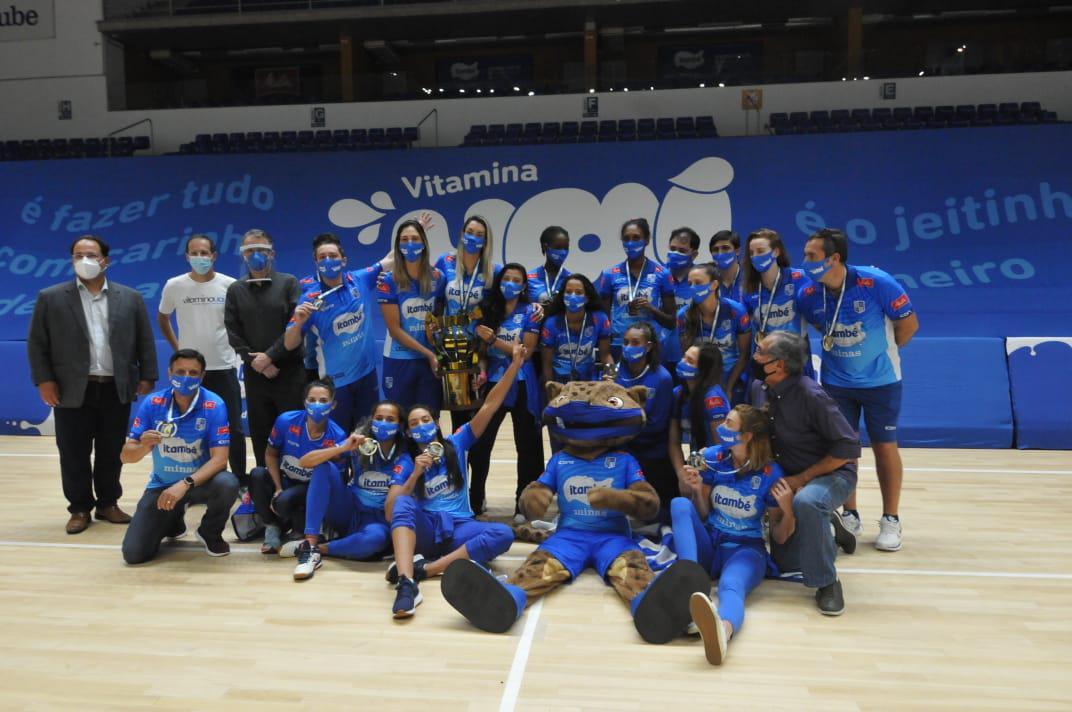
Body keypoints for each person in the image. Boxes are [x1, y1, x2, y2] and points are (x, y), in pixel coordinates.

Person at [798, 228, 919, 552]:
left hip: (881, 382)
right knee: (842, 449)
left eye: (811, 256)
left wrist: (882, 355)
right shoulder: (809, 295)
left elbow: (909, 325)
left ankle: (891, 519)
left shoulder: (877, 283)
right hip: (837, 384)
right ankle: (849, 514)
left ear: (833, 258)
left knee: (884, 446)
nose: (805, 262)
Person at [27, 235, 158, 534]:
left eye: (91, 254)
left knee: (113, 449)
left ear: (105, 260)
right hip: (72, 387)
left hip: (116, 386)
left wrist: (148, 375)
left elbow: (144, 340)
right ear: (72, 259)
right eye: (78, 255)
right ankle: (80, 507)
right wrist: (44, 380)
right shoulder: (51, 297)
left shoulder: (130, 297)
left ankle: (108, 503)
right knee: (73, 451)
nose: (84, 260)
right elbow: (37, 343)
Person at [384, 344, 526, 619]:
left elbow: (490, 404)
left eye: (426, 420)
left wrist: (513, 367)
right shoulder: (405, 461)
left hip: (460, 527)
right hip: (427, 529)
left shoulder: (456, 443)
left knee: (503, 534)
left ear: (436, 423)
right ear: (409, 433)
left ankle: (428, 569)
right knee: (402, 501)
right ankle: (406, 583)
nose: (421, 425)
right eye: (414, 424)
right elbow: (391, 512)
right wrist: (415, 474)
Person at [670, 405, 794, 665]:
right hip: (712, 542)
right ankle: (689, 583)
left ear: (747, 435)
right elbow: (703, 514)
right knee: (680, 504)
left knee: (730, 588)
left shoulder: (771, 474)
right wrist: (694, 490)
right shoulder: (715, 458)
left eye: (729, 423)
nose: (722, 428)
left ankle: (721, 634)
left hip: (746, 549)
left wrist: (787, 510)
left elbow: (780, 538)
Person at [752, 332, 861, 615]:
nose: (754, 356)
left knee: (808, 502)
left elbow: (848, 449)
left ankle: (827, 583)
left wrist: (801, 481)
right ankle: (832, 528)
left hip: (832, 473)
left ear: (779, 365)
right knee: (788, 563)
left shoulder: (812, 395)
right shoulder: (760, 388)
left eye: (761, 352)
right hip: (790, 474)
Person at [120, 349, 239, 563]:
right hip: (162, 486)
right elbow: (126, 457)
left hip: (199, 484)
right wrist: (143, 446)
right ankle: (173, 521)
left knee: (228, 483)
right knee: (134, 554)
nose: (186, 377)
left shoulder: (214, 404)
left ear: (202, 376)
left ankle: (209, 532)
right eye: (180, 371)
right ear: (169, 373)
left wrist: (184, 484)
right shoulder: (153, 403)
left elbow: (220, 460)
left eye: (193, 373)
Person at [280, 400, 411, 581]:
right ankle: (309, 543)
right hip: (349, 510)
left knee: (376, 539)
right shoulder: (359, 444)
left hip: (378, 520)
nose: (383, 423)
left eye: (390, 419)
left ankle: (320, 549)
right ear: (371, 421)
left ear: (400, 425)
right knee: (323, 467)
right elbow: (305, 462)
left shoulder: (405, 456)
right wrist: (344, 447)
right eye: (379, 418)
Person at [158, 234, 246, 485]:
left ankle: (239, 479)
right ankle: (202, 481)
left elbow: (239, 321)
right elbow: (163, 317)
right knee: (195, 427)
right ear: (187, 257)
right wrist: (178, 349)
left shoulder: (230, 285)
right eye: (194, 253)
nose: (199, 258)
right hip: (190, 372)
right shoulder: (174, 285)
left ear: (214, 256)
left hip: (223, 366)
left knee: (233, 427)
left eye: (204, 253)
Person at [284, 233, 387, 434]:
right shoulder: (311, 299)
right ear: (316, 262)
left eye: (332, 255)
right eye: (322, 257)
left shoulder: (360, 279)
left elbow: (389, 260)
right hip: (335, 383)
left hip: (367, 376)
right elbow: (289, 344)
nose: (328, 261)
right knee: (338, 439)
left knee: (365, 436)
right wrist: (298, 323)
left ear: (344, 260)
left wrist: (415, 229)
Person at [468, 264, 545, 516]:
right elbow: (481, 352)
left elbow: (525, 352)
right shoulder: (487, 311)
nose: (510, 284)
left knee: (528, 446)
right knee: (480, 443)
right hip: (494, 382)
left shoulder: (531, 313)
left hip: (522, 383)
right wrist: (480, 368)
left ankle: (523, 505)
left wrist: (493, 340)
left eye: (516, 280)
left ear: (524, 286)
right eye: (506, 279)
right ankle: (475, 500)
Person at [225, 229, 304, 474]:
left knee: (292, 432)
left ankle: (292, 487)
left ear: (272, 253)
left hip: (289, 371)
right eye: (250, 250)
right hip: (255, 373)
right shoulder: (236, 289)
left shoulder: (289, 283)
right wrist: (257, 362)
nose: (256, 255)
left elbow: (296, 326)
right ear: (243, 255)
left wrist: (271, 356)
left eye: (261, 250)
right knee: (261, 433)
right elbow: (233, 331)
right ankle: (264, 490)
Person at [249, 378, 347, 554]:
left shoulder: (338, 435)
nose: (317, 405)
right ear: (304, 402)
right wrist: (278, 487)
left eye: (323, 401)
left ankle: (304, 525)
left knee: (284, 502)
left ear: (333, 405)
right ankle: (272, 527)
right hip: (286, 480)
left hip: (310, 489)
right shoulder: (286, 421)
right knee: (257, 474)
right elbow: (270, 454)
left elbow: (335, 480)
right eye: (312, 400)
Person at [434, 215, 502, 431]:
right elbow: (433, 299)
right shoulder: (445, 262)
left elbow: (505, 305)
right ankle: (457, 464)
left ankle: (475, 464)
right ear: (462, 235)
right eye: (469, 233)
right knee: (456, 416)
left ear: (486, 241)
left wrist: (536, 307)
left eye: (479, 235)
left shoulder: (493, 271)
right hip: (449, 350)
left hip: (475, 350)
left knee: (474, 418)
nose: (473, 238)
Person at [377, 220, 445, 412]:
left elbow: (439, 315)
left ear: (424, 243)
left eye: (415, 239)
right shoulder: (388, 281)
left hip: (429, 361)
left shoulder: (438, 278)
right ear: (398, 246)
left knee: (429, 420)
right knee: (401, 420)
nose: (410, 244)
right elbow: (394, 330)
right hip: (399, 359)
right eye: (404, 239)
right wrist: (429, 354)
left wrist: (437, 337)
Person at [740, 228, 815, 391]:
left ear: (776, 252)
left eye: (760, 251)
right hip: (767, 363)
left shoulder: (799, 279)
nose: (755, 257)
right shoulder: (750, 290)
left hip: (796, 361)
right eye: (751, 253)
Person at [614, 322, 675, 519]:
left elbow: (658, 423)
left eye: (635, 342)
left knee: (658, 511)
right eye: (625, 343)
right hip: (624, 445)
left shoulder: (662, 378)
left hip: (651, 450)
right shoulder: (616, 373)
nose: (628, 347)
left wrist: (624, 427)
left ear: (648, 346)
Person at [597, 218, 676, 360]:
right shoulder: (610, 275)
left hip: (650, 347)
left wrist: (651, 309)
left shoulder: (662, 274)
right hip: (618, 345)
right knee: (613, 382)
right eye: (626, 238)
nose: (631, 243)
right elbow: (603, 318)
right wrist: (606, 356)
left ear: (646, 240)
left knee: (651, 382)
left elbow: (671, 322)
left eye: (636, 238)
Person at [677, 264, 751, 404]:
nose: (692, 287)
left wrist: (728, 387)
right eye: (690, 283)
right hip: (698, 382)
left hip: (731, 380)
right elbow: (686, 355)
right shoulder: (683, 316)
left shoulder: (735, 311)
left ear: (714, 285)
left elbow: (744, 356)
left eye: (698, 283)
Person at [668, 344, 730, 475]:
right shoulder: (678, 393)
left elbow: (720, 447)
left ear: (703, 369)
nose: (681, 362)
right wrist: (682, 474)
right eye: (684, 357)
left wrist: (695, 475)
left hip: (710, 469)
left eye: (689, 361)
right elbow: (674, 441)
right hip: (687, 463)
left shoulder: (713, 399)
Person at [539, 274, 613, 384]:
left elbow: (605, 355)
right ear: (563, 296)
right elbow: (547, 363)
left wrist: (610, 378)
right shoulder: (551, 323)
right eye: (568, 292)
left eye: (578, 292)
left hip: (588, 378)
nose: (573, 296)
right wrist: (550, 387)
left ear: (587, 298)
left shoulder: (600, 319)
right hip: (558, 378)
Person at [662, 227, 702, 380]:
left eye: (682, 250)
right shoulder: (658, 277)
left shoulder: (701, 281)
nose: (676, 254)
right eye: (672, 249)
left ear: (694, 254)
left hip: (690, 358)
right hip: (660, 357)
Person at [527, 226, 571, 306]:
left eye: (566, 248)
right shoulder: (528, 278)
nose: (563, 252)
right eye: (558, 247)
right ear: (545, 247)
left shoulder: (571, 279)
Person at [709, 229, 745, 305]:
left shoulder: (749, 278)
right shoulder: (708, 281)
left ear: (737, 251)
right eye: (715, 249)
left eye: (725, 248)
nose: (720, 253)